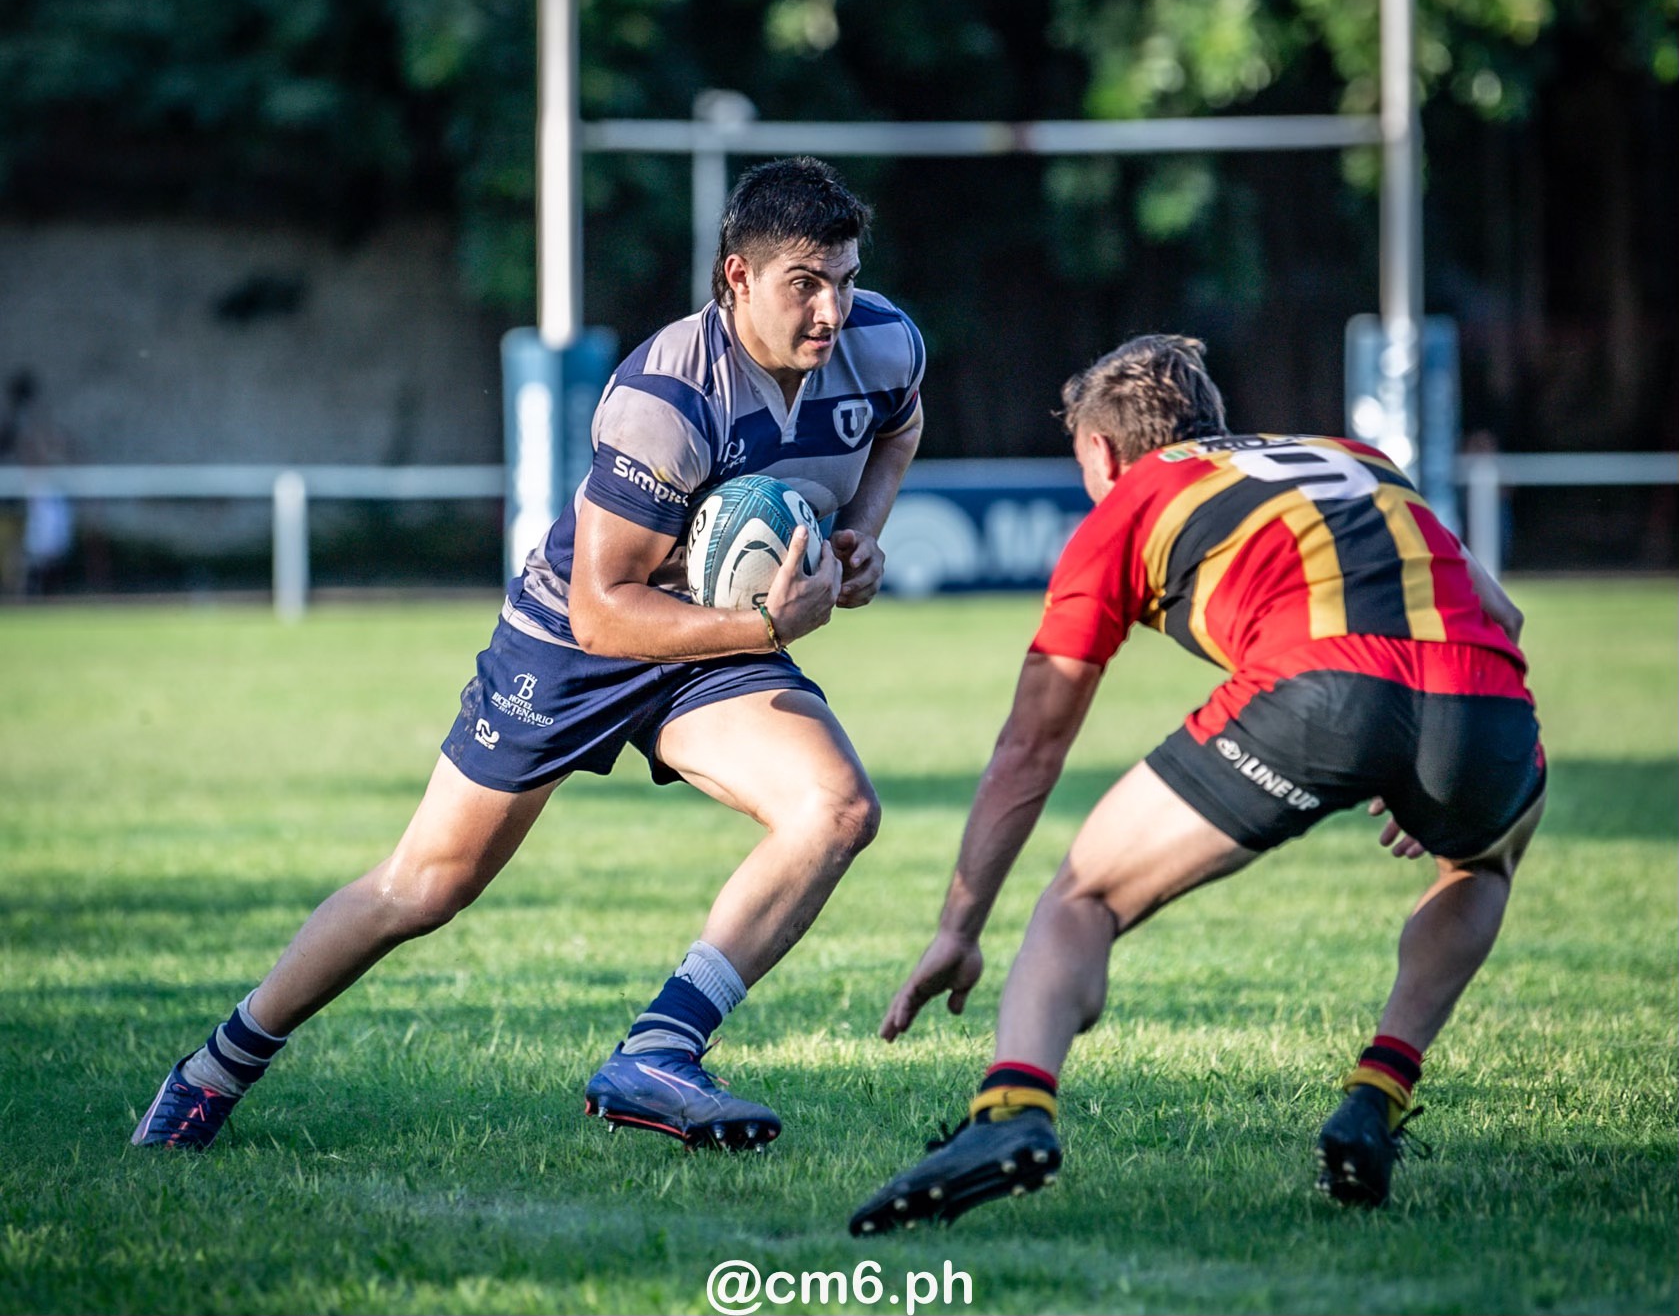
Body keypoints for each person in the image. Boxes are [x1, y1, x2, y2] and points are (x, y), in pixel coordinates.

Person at [133, 156, 926, 1152]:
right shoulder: (665, 398)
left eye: (845, 280)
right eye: (803, 284)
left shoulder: (882, 344)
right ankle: (215, 1068)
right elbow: (603, 611)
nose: (830, 311)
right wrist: (766, 627)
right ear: (736, 277)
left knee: (836, 807)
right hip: (576, 642)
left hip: (714, 639)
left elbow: (897, 429)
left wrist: (859, 529)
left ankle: (656, 1052)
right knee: (424, 885)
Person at [849, 334, 1544, 1233]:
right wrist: (1434, 751)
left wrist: (960, 925)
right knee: (1479, 866)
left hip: (1320, 687)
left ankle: (1010, 1111)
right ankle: (1378, 1091)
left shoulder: (1128, 503)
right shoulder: (1352, 456)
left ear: (1099, 451)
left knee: (1082, 896)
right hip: (1484, 695)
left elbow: (1031, 745)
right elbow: (1500, 609)